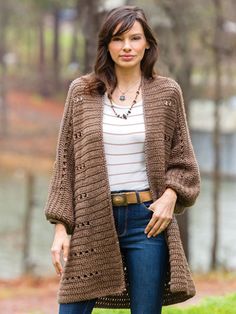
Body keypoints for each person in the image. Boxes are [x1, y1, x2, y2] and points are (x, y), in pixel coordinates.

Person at [44, 5, 200, 314]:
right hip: (93, 219)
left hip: (147, 222)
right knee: (71, 309)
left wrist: (170, 196)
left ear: (147, 44)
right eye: (117, 39)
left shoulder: (167, 93)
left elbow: (184, 163)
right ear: (106, 45)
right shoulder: (82, 92)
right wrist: (61, 229)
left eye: (134, 38)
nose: (126, 47)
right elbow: (65, 166)